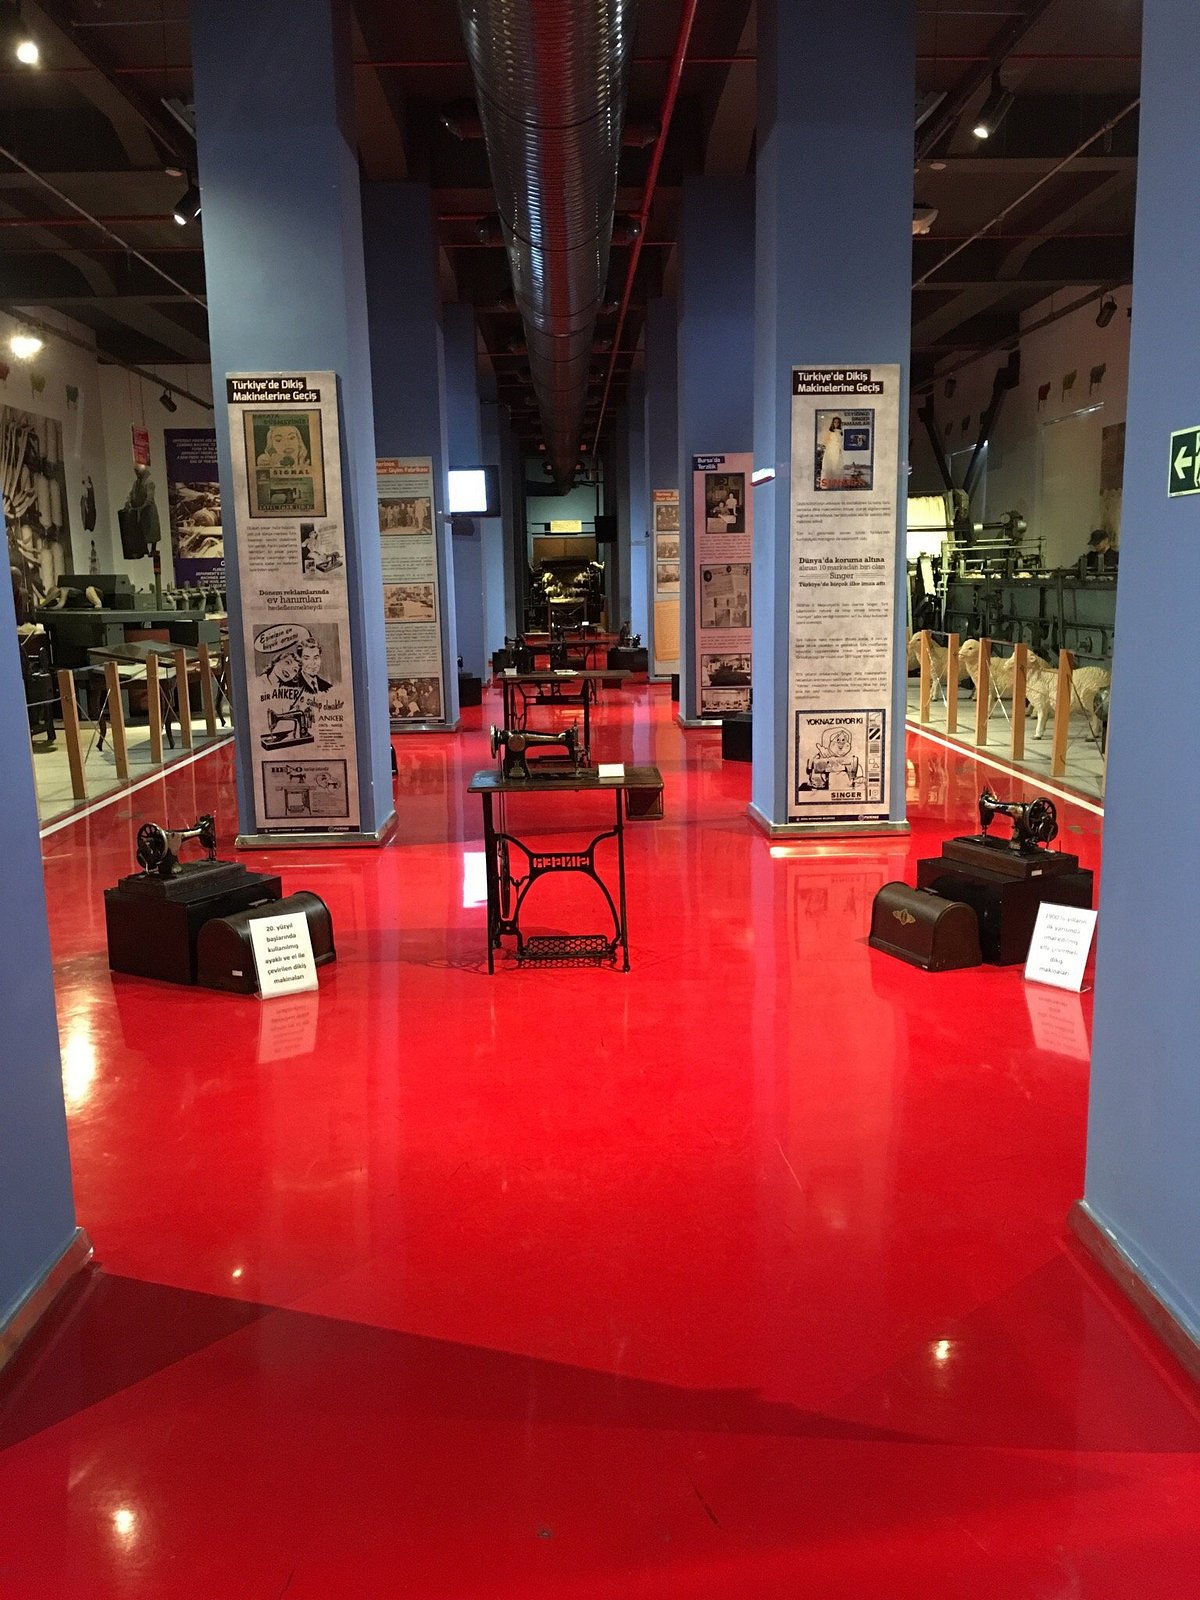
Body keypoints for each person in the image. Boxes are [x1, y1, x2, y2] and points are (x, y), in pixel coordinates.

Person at [819, 416, 844, 488]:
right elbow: (824, 443)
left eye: (838, 422)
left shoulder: (840, 433)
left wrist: (839, 450)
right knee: (829, 468)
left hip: (838, 453)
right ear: (832, 423)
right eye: (835, 422)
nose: (836, 423)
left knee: (836, 468)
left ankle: (835, 486)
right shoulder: (830, 432)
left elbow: (840, 444)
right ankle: (827, 485)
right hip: (830, 452)